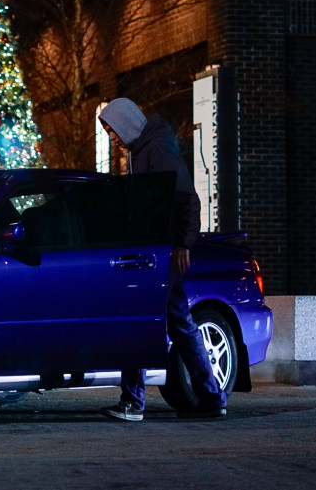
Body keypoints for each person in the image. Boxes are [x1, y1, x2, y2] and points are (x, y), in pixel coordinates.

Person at [97, 97, 227, 421]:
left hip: (161, 255)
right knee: (179, 322)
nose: (112, 137)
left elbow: (185, 199)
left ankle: (133, 402)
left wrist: (183, 244)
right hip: (156, 252)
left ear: (126, 123)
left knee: (140, 318)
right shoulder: (141, 149)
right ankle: (212, 397)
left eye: (112, 129)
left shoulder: (156, 149)